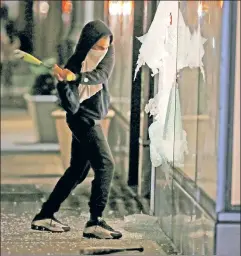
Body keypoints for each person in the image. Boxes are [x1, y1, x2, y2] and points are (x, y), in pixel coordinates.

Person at [31, 20, 122, 240]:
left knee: (77, 172)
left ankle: (45, 215)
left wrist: (76, 78)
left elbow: (101, 75)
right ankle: (95, 221)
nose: (103, 51)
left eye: (106, 47)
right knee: (106, 165)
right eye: (98, 47)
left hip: (92, 118)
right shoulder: (74, 63)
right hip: (83, 120)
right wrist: (63, 83)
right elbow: (70, 107)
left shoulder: (106, 57)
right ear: (86, 45)